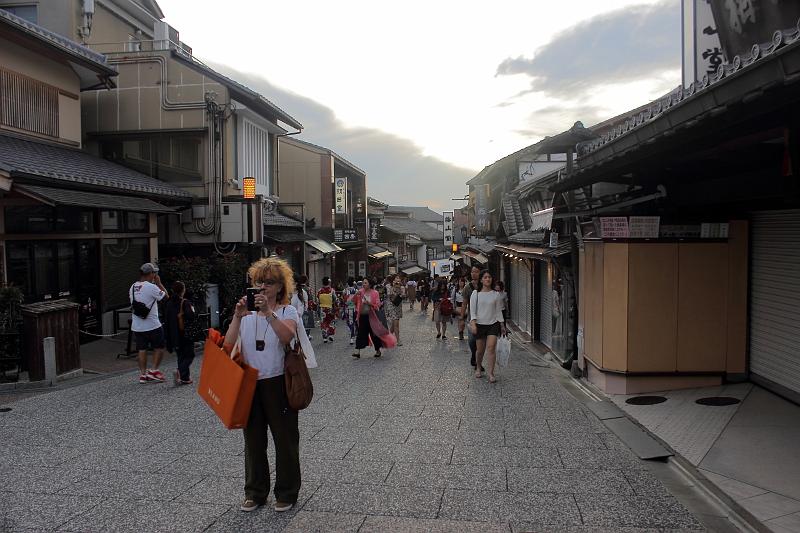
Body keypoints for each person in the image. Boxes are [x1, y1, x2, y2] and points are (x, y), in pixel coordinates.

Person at [223, 257, 311, 514]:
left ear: (281, 287)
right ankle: (255, 492)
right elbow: (228, 346)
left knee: (285, 439)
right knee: (253, 441)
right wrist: (237, 318)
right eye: (258, 282)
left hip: (278, 381)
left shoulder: (287, 312)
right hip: (249, 382)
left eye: (269, 283)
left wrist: (268, 313)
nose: (262, 288)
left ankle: (286, 492)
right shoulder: (245, 313)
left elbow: (287, 336)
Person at [130, 262, 168, 384]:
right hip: (152, 325)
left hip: (137, 326)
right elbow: (166, 298)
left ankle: (143, 374)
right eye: (154, 273)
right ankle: (154, 371)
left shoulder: (132, 287)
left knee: (142, 349)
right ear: (150, 274)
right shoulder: (152, 287)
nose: (155, 275)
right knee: (160, 347)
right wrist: (159, 283)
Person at [469, 269, 507, 383]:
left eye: (489, 277)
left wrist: (502, 325)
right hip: (480, 324)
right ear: (481, 280)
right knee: (480, 350)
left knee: (491, 348)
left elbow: (498, 311)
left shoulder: (496, 294)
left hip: (493, 324)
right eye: (485, 277)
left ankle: (491, 373)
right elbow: (472, 311)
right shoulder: (476, 294)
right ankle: (479, 367)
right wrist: (473, 323)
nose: (487, 279)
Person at [353, 277, 396, 358]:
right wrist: (356, 295)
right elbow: (353, 301)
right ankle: (357, 351)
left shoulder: (375, 293)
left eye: (365, 283)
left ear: (370, 284)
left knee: (374, 334)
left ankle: (378, 350)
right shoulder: (360, 292)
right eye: (363, 283)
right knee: (360, 333)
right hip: (362, 316)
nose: (363, 284)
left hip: (372, 316)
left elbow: (377, 305)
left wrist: (369, 303)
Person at [164, 281, 197, 385]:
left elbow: (167, 320)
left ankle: (185, 378)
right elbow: (191, 316)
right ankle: (180, 371)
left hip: (174, 334)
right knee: (189, 355)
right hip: (185, 333)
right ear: (183, 290)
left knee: (181, 355)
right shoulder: (185, 302)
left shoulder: (169, 303)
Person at [462, 265, 482, 370]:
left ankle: (478, 363)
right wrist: (461, 317)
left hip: (483, 318)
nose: (473, 274)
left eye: (476, 271)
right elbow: (464, 303)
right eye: (472, 272)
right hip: (471, 318)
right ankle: (473, 354)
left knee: (481, 342)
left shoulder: (484, 286)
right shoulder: (467, 287)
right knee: (471, 340)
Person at [384, 277, 404, 346]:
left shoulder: (401, 287)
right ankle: (398, 340)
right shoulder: (388, 286)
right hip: (391, 306)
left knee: (394, 324)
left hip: (398, 306)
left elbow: (403, 295)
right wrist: (393, 287)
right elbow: (389, 294)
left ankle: (388, 337)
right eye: (396, 279)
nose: (397, 281)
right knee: (396, 323)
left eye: (399, 279)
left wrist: (400, 288)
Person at [317, 277, 337, 343]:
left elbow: (318, 300)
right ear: (329, 282)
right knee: (331, 321)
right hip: (330, 308)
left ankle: (324, 337)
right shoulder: (332, 290)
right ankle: (330, 335)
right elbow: (335, 300)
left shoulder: (319, 291)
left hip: (322, 309)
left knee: (323, 322)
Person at [342, 277, 359, 345]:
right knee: (356, 322)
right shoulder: (356, 290)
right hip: (355, 308)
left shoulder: (345, 291)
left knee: (350, 322)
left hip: (348, 309)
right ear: (353, 282)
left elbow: (343, 299)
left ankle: (352, 338)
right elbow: (358, 300)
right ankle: (356, 333)